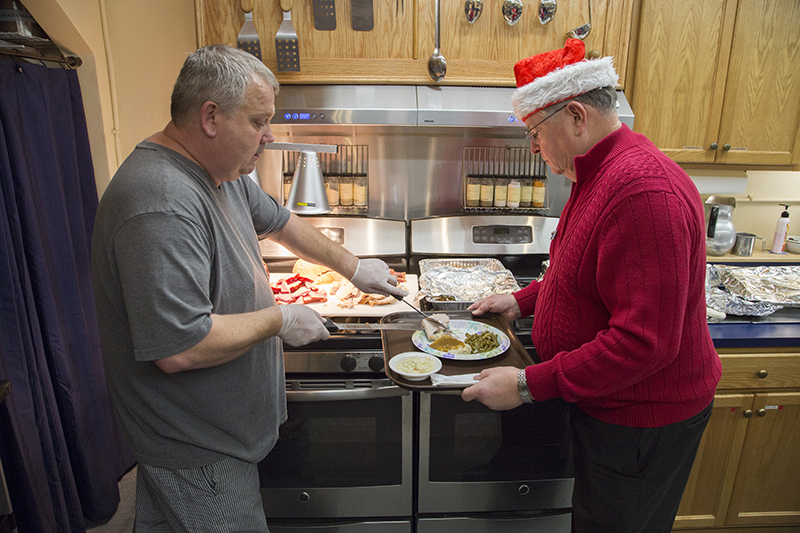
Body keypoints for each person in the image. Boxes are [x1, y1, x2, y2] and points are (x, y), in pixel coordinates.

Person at [91, 44, 406, 532]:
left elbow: (282, 222)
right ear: (211, 117)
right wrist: (279, 318)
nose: (269, 136)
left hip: (225, 436)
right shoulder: (160, 201)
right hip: (199, 450)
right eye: (259, 122)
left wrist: (353, 266)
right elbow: (180, 346)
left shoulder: (223, 171)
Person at [462, 39, 722, 533]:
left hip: (643, 420)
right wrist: (523, 300)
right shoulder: (598, 174)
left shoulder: (642, 192)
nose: (534, 149)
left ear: (576, 116)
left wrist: (525, 384)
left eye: (535, 133)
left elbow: (643, 343)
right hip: (610, 403)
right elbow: (583, 271)